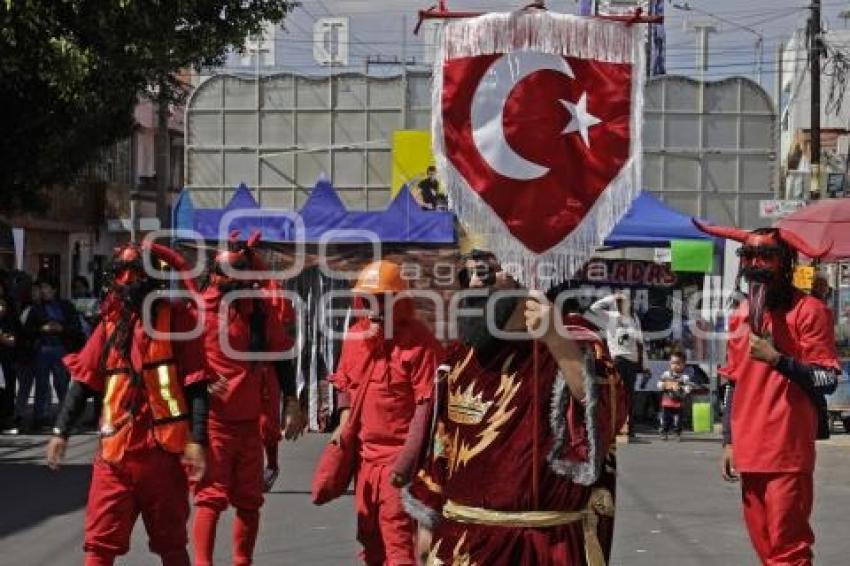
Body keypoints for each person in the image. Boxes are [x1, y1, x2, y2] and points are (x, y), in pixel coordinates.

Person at [403, 250, 626, 565]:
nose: (476, 281)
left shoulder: (574, 341)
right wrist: (428, 521)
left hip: (542, 548)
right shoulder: (460, 354)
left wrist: (555, 338)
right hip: (461, 544)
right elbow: (443, 444)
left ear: (528, 276)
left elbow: (606, 414)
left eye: (486, 271)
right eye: (467, 275)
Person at [45, 242, 209, 566]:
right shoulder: (109, 324)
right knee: (99, 546)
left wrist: (197, 439)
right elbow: (84, 380)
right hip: (115, 456)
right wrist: (60, 430)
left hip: (162, 455)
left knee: (171, 546)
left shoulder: (176, 320)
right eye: (120, 274)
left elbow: (196, 386)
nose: (126, 282)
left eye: (133, 275)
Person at [695, 221, 841, 565]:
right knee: (764, 548)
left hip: (787, 450)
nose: (756, 265)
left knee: (788, 550)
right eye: (749, 256)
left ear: (785, 262)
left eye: (766, 256)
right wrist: (728, 441)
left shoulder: (810, 311)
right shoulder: (741, 316)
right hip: (748, 448)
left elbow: (828, 379)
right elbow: (733, 381)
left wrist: (778, 360)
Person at [192, 233, 301, 566]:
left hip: (249, 421)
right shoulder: (197, 310)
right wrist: (198, 388)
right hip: (214, 423)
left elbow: (282, 353)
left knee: (250, 502)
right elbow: (178, 362)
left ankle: (242, 562)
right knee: (210, 500)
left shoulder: (259, 310)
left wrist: (292, 401)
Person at [329, 259, 442, 565]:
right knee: (369, 539)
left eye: (382, 299)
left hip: (399, 462)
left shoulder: (420, 342)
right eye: (368, 299)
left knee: (397, 542)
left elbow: (428, 406)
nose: (374, 308)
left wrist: (406, 463)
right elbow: (345, 385)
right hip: (366, 461)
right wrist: (343, 423)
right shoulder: (355, 336)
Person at [24, 276, 84, 430]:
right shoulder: (36, 309)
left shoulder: (66, 306)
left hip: (61, 349)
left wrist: (61, 329)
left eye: (46, 287)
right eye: (41, 288)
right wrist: (41, 330)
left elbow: (76, 328)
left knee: (62, 385)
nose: (43, 291)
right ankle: (41, 418)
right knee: (42, 385)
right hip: (42, 349)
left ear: (54, 290)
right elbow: (27, 332)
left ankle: (65, 419)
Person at [589, 291, 645, 437]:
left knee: (629, 395)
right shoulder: (610, 317)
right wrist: (611, 297)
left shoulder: (634, 319)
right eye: (619, 302)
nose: (622, 304)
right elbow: (594, 308)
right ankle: (615, 425)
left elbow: (640, 342)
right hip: (618, 359)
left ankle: (628, 427)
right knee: (616, 395)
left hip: (632, 361)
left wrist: (645, 364)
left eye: (625, 302)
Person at [657, 349, 691, 441]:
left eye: (678, 363)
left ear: (684, 364)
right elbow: (659, 384)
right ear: (669, 363)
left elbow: (687, 388)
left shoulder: (685, 377)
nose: (675, 365)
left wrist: (686, 389)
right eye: (673, 363)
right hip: (667, 401)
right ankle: (664, 432)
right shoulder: (666, 374)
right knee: (665, 419)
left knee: (678, 420)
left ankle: (677, 433)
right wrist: (663, 385)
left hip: (678, 402)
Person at [0, 294, 20, 434]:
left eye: (2, 305)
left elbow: (12, 341)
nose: (0, 308)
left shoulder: (9, 322)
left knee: (7, 392)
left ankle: (6, 421)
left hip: (6, 361)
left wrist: (2, 337)